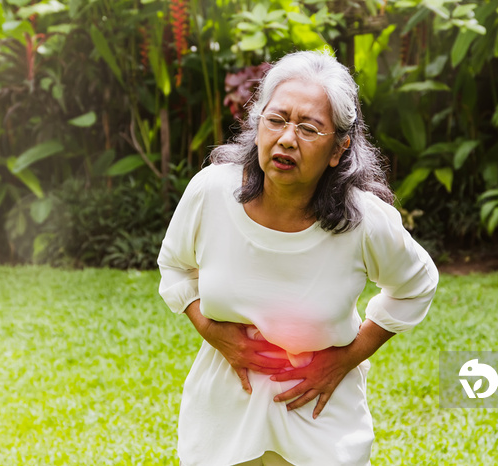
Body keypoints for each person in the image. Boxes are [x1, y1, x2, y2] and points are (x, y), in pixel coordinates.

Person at [158, 49, 438, 466]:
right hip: (222, 422)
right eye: (276, 120)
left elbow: (416, 285)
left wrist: (345, 358)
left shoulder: (363, 221)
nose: (287, 138)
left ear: (338, 149)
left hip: (320, 425)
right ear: (257, 127)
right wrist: (212, 331)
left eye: (309, 128)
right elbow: (176, 267)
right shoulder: (211, 192)